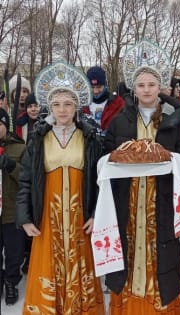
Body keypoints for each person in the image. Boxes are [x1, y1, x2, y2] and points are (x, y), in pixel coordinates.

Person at [16, 62, 104, 314]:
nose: (62, 110)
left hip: (80, 221)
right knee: (47, 273)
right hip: (48, 221)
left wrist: (96, 213)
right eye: (56, 104)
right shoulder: (38, 138)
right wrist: (25, 218)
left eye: (68, 104)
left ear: (77, 106)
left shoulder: (90, 138)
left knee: (82, 272)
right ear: (49, 107)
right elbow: (25, 181)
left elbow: (100, 181)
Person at [104, 63, 180, 313]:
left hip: (161, 198)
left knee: (161, 250)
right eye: (141, 85)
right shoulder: (120, 121)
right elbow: (107, 157)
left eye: (151, 84)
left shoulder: (173, 120)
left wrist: (166, 157)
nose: (146, 90)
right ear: (134, 88)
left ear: (160, 87)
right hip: (127, 198)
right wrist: (120, 156)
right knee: (128, 246)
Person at [0, 108, 26, 305]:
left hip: (11, 211)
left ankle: (11, 281)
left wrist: (10, 166)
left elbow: (27, 179)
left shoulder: (19, 148)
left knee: (14, 252)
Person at [81, 66, 125, 136]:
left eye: (99, 87)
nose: (95, 91)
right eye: (92, 87)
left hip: (110, 144)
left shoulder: (117, 103)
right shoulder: (82, 104)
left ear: (105, 85)